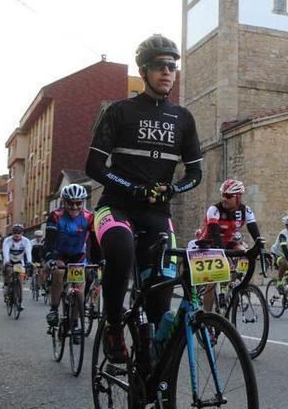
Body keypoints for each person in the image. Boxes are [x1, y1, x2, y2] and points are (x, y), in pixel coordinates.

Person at [85, 34, 203, 364]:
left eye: (173, 66)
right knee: (121, 250)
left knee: (159, 306)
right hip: (115, 207)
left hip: (157, 214)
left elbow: (195, 175)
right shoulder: (119, 112)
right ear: (144, 70)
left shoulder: (183, 118)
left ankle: (152, 375)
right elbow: (93, 165)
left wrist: (173, 189)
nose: (168, 72)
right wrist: (132, 188)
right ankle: (111, 324)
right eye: (160, 66)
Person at [193, 179, 266, 313]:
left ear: (238, 197)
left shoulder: (246, 210)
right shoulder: (214, 209)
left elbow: (254, 231)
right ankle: (207, 316)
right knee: (212, 282)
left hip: (229, 242)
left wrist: (262, 249)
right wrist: (224, 256)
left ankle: (232, 284)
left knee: (245, 251)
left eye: (227, 196)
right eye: (222, 195)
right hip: (209, 243)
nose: (223, 198)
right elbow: (215, 234)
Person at [44, 183, 97, 331]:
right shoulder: (56, 216)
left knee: (80, 286)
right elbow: (50, 240)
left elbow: (94, 241)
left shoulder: (89, 217)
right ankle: (54, 309)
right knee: (59, 272)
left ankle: (74, 323)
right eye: (70, 203)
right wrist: (50, 259)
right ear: (63, 202)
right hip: (59, 252)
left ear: (83, 202)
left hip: (78, 254)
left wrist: (98, 260)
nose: (74, 207)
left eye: (78, 203)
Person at [2, 223, 33, 309]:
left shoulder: (26, 241)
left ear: (22, 233)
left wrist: (29, 262)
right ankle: (6, 288)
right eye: (15, 232)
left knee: (20, 278)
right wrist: (7, 261)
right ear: (12, 233)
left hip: (19, 261)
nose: (17, 235)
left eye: (19, 233)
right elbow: (5, 251)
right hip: (9, 260)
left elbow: (28, 252)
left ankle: (20, 301)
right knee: (8, 272)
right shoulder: (7, 240)